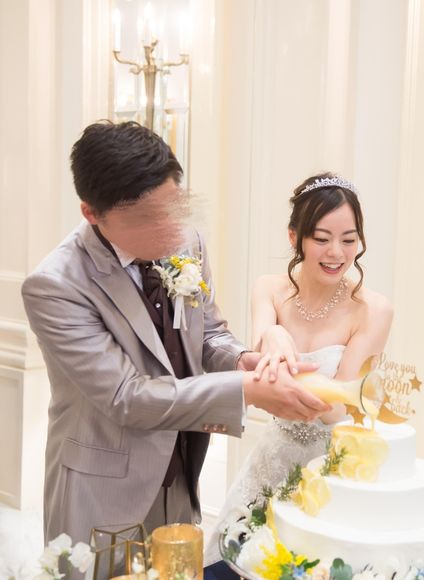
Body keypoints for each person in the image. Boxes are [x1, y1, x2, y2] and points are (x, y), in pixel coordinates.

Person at [21, 121, 331, 551]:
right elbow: (126, 397)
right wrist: (247, 389)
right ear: (92, 214)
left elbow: (208, 335)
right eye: (146, 218)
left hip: (181, 471)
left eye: (173, 208)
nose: (169, 228)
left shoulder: (188, 243)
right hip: (103, 489)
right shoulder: (55, 286)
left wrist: (245, 360)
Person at [205, 172, 393, 564]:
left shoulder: (373, 310)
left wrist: (277, 358)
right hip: (272, 457)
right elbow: (258, 360)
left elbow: (337, 409)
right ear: (295, 237)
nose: (337, 253)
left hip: (331, 470)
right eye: (322, 239)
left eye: (349, 239)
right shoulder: (269, 289)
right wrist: (273, 333)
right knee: (235, 560)